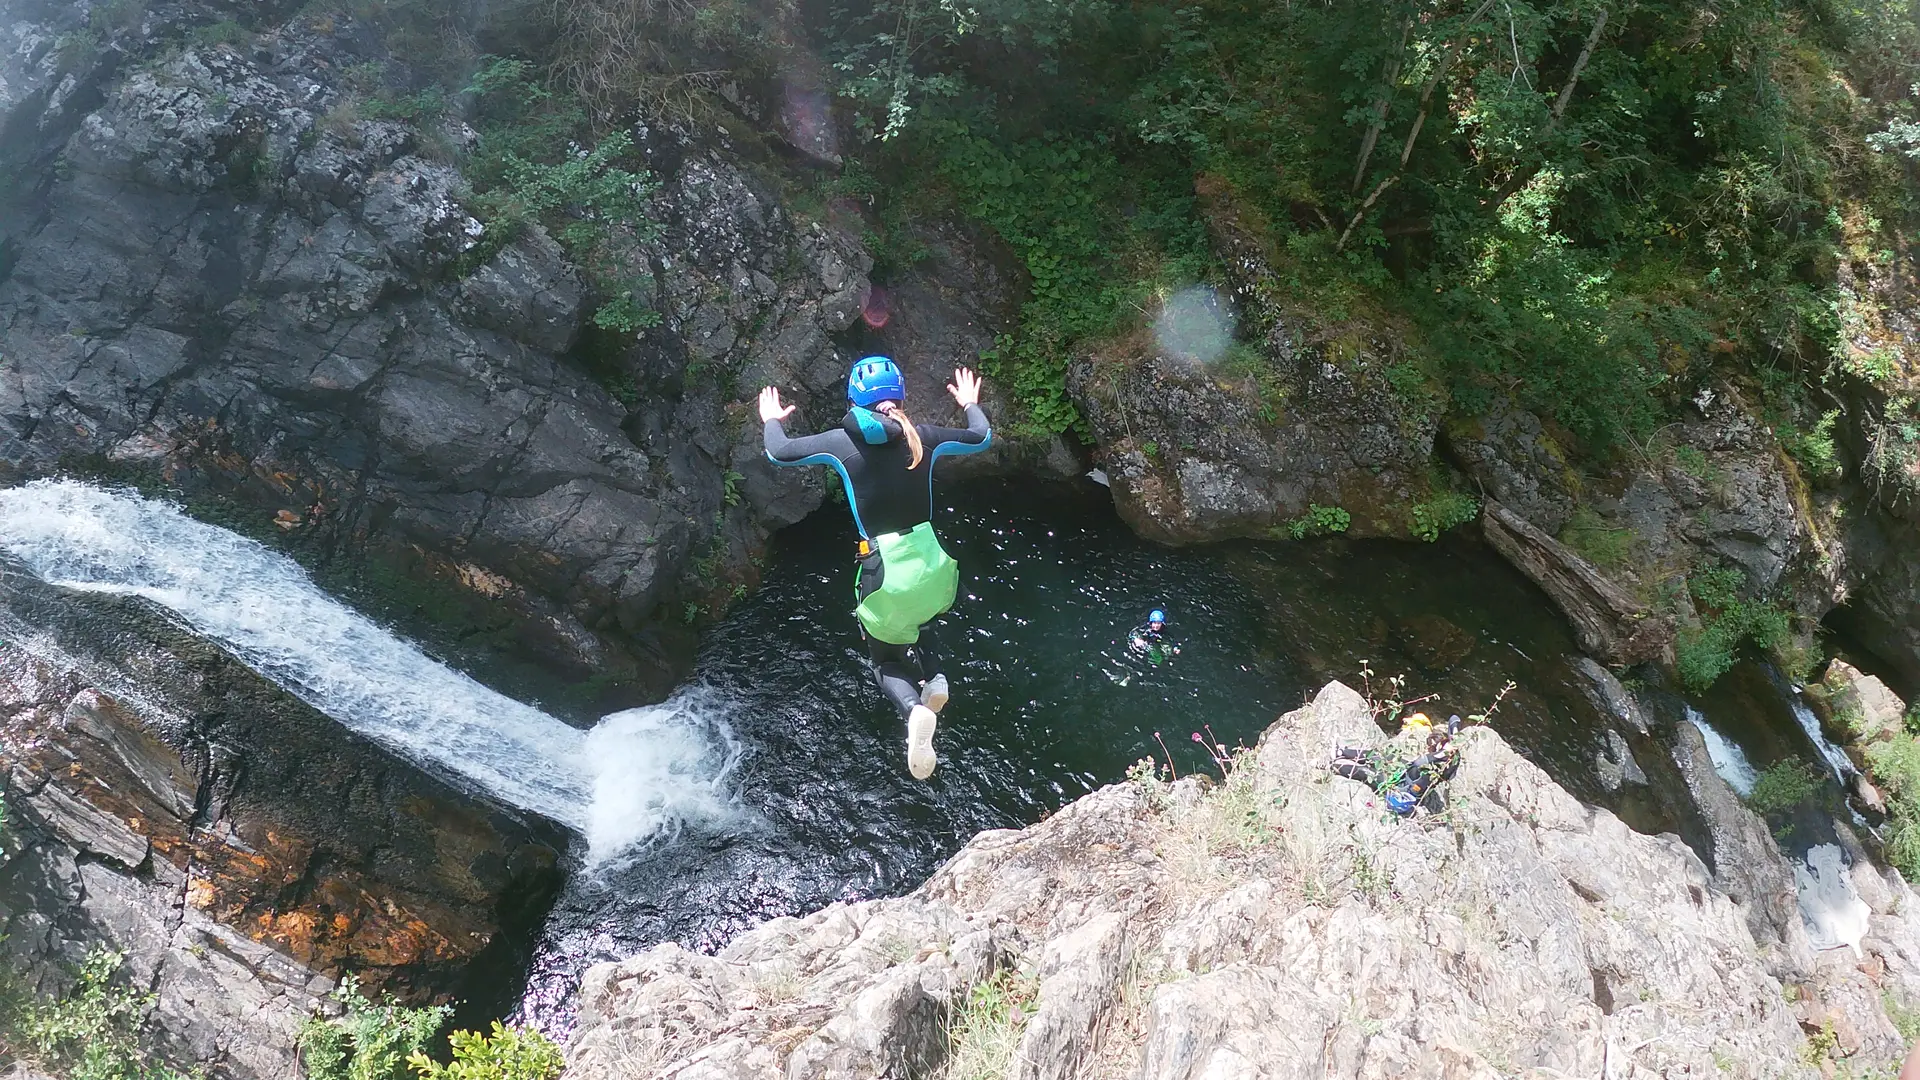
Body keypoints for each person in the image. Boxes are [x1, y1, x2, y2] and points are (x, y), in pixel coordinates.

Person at [759, 356, 991, 780]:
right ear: (900, 396)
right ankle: (936, 678)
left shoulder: (839, 443)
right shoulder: (922, 436)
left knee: (885, 660)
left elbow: (778, 451)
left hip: (885, 572)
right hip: (933, 565)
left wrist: (772, 419)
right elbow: (980, 437)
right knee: (923, 619)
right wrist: (969, 403)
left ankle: (914, 711)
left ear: (854, 400)